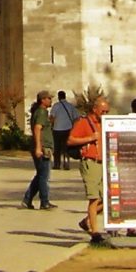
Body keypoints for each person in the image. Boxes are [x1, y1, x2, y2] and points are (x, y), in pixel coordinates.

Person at [66, 95, 110, 241]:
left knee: (107, 198)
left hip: (103, 162)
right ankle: (95, 232)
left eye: (107, 112)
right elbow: (71, 140)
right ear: (95, 109)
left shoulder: (104, 123)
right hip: (90, 162)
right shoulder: (84, 123)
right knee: (94, 198)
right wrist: (91, 138)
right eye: (103, 111)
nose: (105, 114)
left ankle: (86, 221)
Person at [22, 90, 55, 210]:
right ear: (43, 100)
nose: (51, 100)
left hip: (44, 147)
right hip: (42, 148)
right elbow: (37, 129)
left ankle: (27, 199)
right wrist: (38, 147)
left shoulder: (43, 112)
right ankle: (44, 201)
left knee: (40, 175)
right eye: (49, 98)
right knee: (44, 176)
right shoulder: (41, 112)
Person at [51, 91, 79, 169]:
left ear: (59, 97)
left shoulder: (56, 106)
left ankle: (57, 164)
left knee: (57, 148)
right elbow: (76, 117)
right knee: (66, 147)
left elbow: (52, 117)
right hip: (68, 129)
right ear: (65, 96)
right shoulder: (70, 106)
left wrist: (51, 125)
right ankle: (66, 163)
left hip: (57, 129)